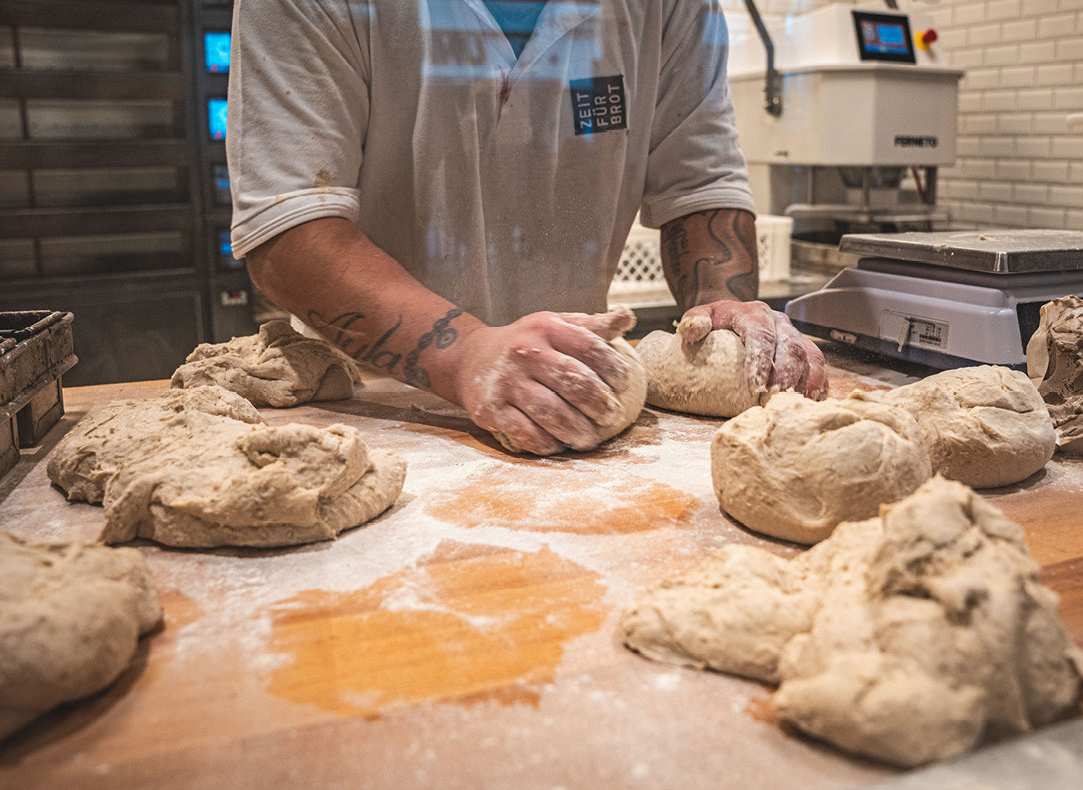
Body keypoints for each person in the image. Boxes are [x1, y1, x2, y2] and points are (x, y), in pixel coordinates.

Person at [228, 0, 828, 455]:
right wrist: (467, 356)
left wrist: (724, 306)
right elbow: (290, 228)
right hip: (364, 413)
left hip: (576, 396)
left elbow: (699, 183)